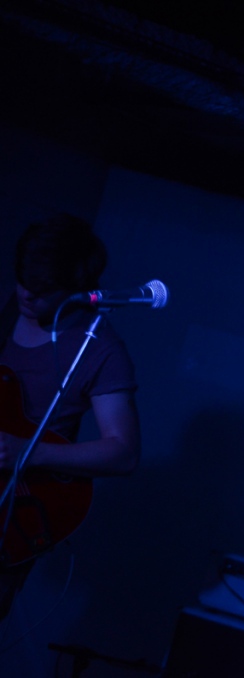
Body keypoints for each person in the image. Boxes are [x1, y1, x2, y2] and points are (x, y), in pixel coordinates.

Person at [0, 214, 140, 622]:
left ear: (77, 287)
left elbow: (123, 452)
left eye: (43, 290)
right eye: (22, 281)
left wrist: (30, 452)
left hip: (14, 505)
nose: (27, 294)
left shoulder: (100, 349)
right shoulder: (10, 309)